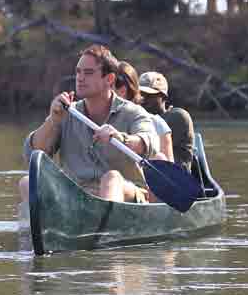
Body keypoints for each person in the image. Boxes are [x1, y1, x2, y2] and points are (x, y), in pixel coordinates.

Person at [22, 44, 162, 204]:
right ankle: (49, 220)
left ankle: (108, 219)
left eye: (88, 73)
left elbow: (151, 142)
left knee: (112, 178)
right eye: (78, 72)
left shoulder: (133, 112)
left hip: (126, 193)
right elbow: (32, 154)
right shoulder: (66, 113)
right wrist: (53, 120)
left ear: (109, 79)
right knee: (28, 183)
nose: (80, 78)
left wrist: (122, 139)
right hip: (76, 195)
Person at [114, 60, 175, 163]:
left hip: (143, 172)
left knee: (160, 157)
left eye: (151, 95)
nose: (144, 98)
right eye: (142, 93)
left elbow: (169, 169)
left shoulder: (158, 123)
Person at [138, 70, 196, 171]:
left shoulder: (177, 116)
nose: (143, 99)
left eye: (149, 95)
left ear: (164, 97)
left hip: (174, 176)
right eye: (140, 94)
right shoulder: (136, 117)